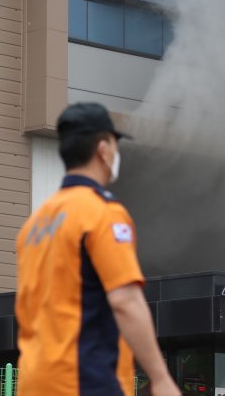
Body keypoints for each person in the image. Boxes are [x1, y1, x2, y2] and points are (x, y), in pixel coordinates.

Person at [15, 102, 180, 396]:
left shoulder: (35, 225)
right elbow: (125, 301)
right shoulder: (102, 213)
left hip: (34, 382)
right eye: (115, 147)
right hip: (84, 380)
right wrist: (160, 378)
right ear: (103, 150)